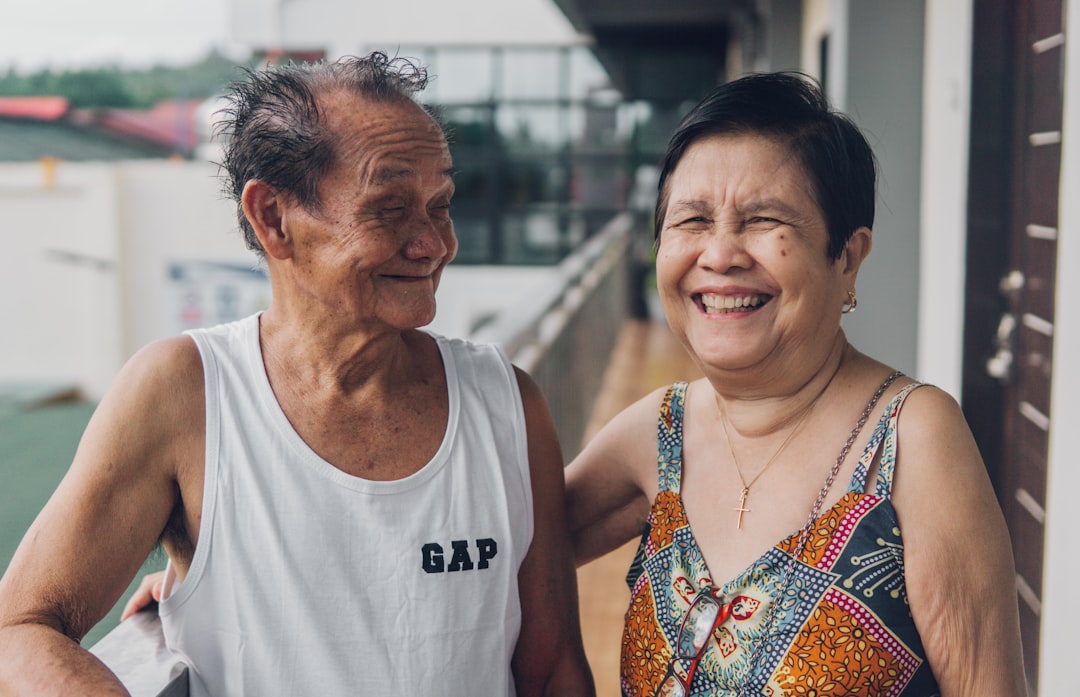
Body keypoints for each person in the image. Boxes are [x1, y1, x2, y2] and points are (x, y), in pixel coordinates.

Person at [0, 53, 594, 697]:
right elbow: (19, 626)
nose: (433, 244)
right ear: (274, 219)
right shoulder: (186, 394)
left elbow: (554, 664)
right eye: (390, 209)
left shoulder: (506, 401)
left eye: (440, 205)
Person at [564, 72, 1027, 696]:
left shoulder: (911, 440)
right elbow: (491, 556)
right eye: (692, 220)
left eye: (764, 220)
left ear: (847, 258)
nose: (720, 254)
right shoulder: (660, 431)